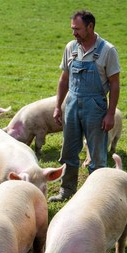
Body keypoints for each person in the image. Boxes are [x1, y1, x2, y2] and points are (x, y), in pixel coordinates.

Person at [49, 10, 120, 202]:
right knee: (69, 150)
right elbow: (64, 79)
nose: (74, 33)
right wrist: (58, 106)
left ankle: (97, 197)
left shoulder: (107, 51)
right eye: (72, 29)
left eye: (78, 29)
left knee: (97, 155)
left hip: (95, 106)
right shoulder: (71, 48)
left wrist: (110, 113)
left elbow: (114, 83)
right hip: (72, 103)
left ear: (90, 27)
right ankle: (67, 191)